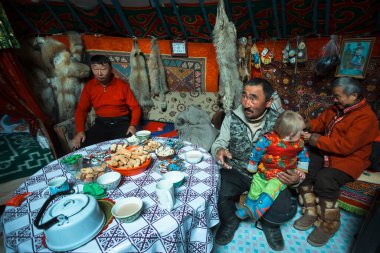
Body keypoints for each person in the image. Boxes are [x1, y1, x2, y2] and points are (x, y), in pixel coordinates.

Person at [211, 78, 300, 251]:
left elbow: (294, 154)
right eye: (244, 96)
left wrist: (296, 177)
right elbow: (219, 141)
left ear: (268, 102)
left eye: (253, 98)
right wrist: (219, 150)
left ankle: (270, 225)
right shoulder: (231, 117)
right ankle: (230, 222)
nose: (246, 103)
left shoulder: (280, 122)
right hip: (236, 169)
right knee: (216, 190)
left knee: (285, 208)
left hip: (269, 175)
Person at [295, 77, 379, 247]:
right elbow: (321, 122)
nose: (334, 99)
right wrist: (305, 125)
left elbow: (345, 147)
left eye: (337, 96)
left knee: (325, 179)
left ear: (353, 96)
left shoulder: (366, 118)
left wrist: (314, 138)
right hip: (328, 150)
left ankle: (329, 224)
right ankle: (310, 211)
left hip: (350, 159)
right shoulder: (337, 108)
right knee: (305, 167)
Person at [236, 110, 309, 221]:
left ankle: (257, 211)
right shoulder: (268, 140)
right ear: (291, 135)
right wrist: (253, 165)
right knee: (254, 189)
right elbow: (257, 152)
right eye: (301, 132)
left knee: (270, 190)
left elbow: (304, 157)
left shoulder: (299, 144)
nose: (303, 134)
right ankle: (246, 209)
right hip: (263, 172)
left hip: (281, 176)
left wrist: (301, 170)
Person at [72, 55, 141, 148]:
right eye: (95, 69)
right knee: (82, 145)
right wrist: (80, 131)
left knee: (129, 145)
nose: (99, 73)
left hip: (121, 123)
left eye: (103, 69)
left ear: (111, 69)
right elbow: (81, 110)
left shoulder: (122, 85)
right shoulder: (89, 86)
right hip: (101, 124)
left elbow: (135, 107)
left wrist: (133, 125)